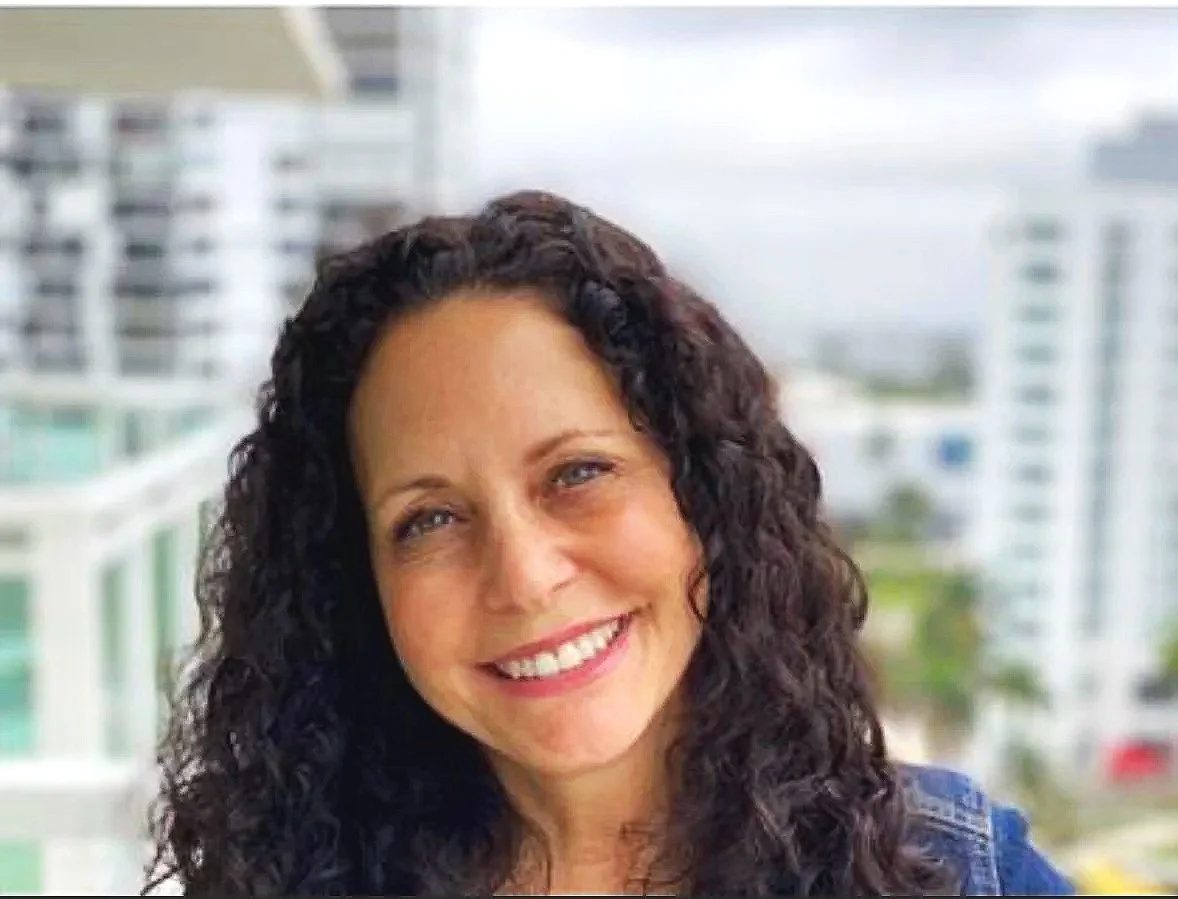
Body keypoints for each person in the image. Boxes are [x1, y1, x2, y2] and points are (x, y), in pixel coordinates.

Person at [145, 190, 1075, 896]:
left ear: (701, 490)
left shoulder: (954, 870)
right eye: (427, 519)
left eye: (578, 473)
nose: (525, 575)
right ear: (356, 586)